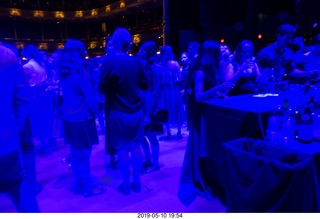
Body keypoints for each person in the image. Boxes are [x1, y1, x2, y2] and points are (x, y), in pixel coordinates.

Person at [99, 27, 148, 195]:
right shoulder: (137, 62)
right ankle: (138, 183)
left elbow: (102, 90)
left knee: (122, 150)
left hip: (117, 113)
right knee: (136, 148)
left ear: (116, 42)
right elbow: (145, 88)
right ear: (128, 44)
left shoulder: (108, 62)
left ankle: (126, 184)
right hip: (136, 112)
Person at [58, 39, 105, 198]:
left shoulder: (63, 72)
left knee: (75, 152)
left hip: (68, 118)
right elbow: (91, 102)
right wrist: (98, 108)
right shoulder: (81, 74)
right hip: (82, 119)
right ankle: (87, 188)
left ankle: (78, 181)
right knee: (85, 154)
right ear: (79, 52)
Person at [0, 44, 40, 212]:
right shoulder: (6, 55)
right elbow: (24, 97)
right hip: (5, 141)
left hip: (6, 140)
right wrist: (14, 127)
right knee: (19, 189)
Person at [256, 24, 317, 89]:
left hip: (279, 89)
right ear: (279, 36)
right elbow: (256, 72)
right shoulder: (265, 52)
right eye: (287, 38)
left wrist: (307, 73)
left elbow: (292, 71)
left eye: (290, 38)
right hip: (264, 90)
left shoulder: (288, 53)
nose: (289, 41)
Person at [138, 40, 162, 173]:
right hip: (141, 105)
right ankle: (147, 159)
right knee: (141, 135)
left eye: (142, 50)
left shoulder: (155, 68)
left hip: (150, 106)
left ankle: (156, 163)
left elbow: (156, 91)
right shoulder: (142, 66)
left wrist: (148, 113)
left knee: (152, 136)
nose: (139, 51)